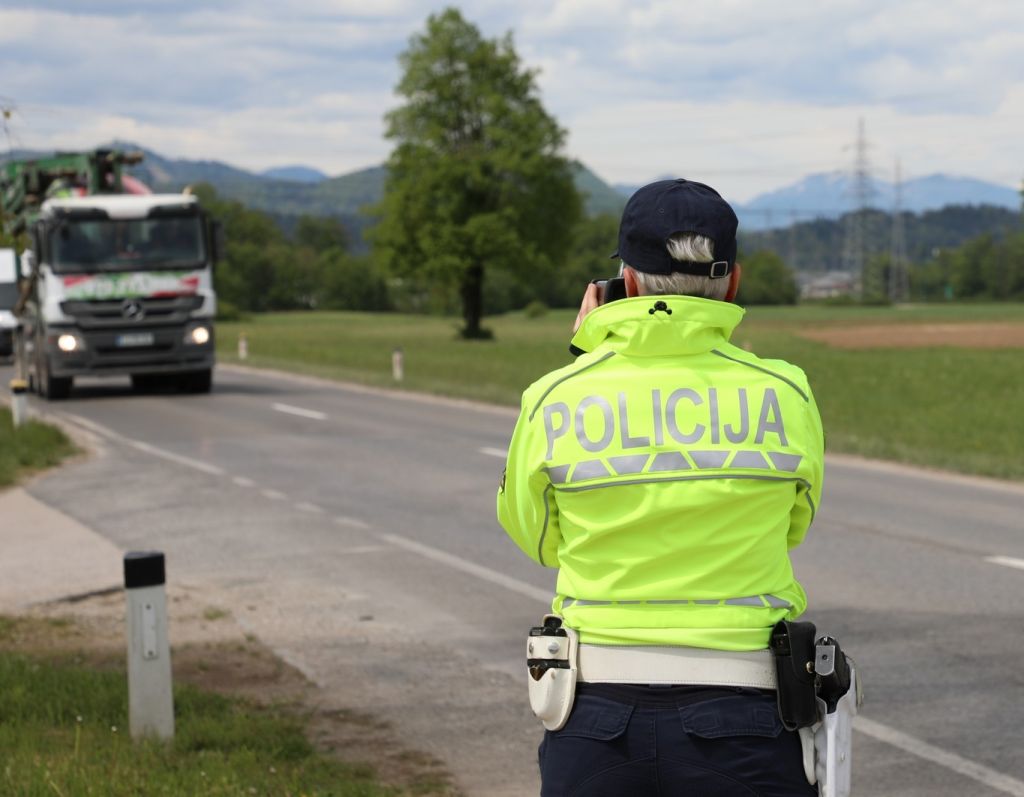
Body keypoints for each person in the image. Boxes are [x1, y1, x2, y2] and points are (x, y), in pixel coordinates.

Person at [497, 178, 824, 796]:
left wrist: (584, 356)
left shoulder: (554, 396)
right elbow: (794, 525)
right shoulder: (786, 391)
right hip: (749, 712)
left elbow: (538, 539)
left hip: (594, 714)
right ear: (731, 281)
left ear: (622, 279)